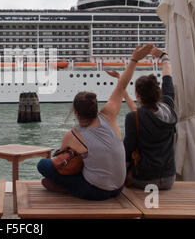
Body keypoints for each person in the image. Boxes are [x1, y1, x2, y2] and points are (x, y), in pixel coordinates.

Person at [37, 44, 154, 200]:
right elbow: (122, 86)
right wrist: (133, 60)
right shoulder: (108, 116)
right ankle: (69, 186)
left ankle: (67, 188)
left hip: (97, 191)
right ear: (95, 107)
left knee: (43, 165)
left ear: (76, 112)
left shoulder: (72, 135)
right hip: (119, 187)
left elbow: (61, 164)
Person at [123, 47, 177, 190]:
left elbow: (127, 151)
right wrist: (164, 58)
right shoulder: (169, 109)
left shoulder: (133, 117)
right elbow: (168, 82)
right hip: (168, 179)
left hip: (143, 179)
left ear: (137, 95)